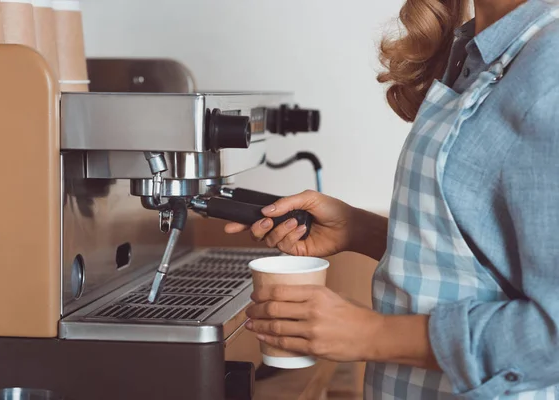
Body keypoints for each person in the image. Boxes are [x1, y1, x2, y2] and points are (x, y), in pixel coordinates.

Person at [225, 0, 559, 398]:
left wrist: (371, 334)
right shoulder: (479, 52)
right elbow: (487, 258)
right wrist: (360, 229)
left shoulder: (550, 71)